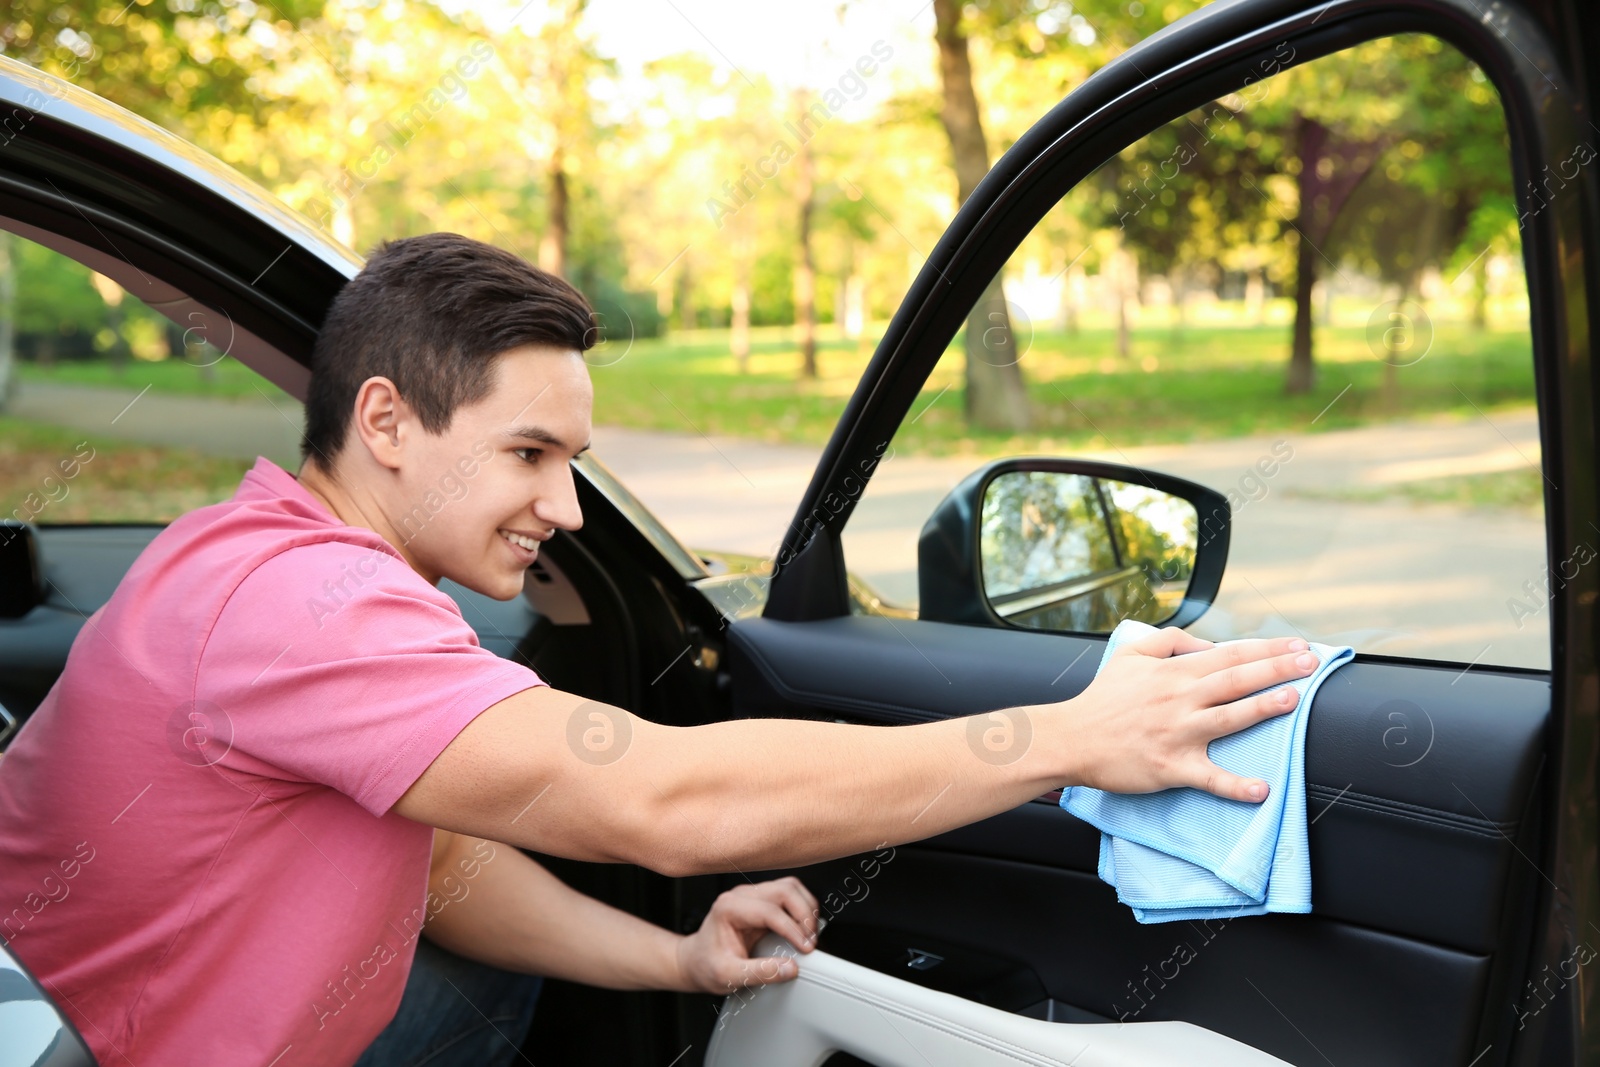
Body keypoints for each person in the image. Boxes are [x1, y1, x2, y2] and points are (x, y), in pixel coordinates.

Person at [0, 233, 1317, 1067]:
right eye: (530, 453)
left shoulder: (240, 547)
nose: (567, 510)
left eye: (575, 461)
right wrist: (1072, 738)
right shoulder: (308, 608)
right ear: (387, 421)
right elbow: (663, 799)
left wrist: (674, 962)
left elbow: (440, 856)